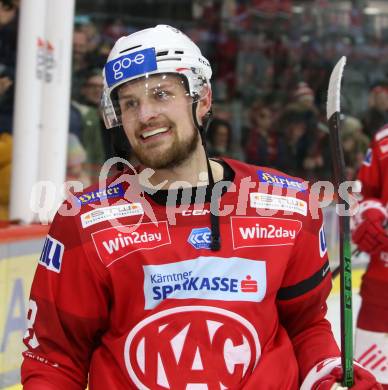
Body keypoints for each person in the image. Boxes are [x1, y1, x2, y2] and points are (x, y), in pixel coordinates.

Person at [21, 24, 381, 389]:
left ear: (203, 99)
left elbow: (306, 327)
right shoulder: (87, 222)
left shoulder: (287, 205)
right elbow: (54, 361)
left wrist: (327, 376)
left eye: (161, 94)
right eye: (129, 103)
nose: (145, 114)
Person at [352, 124, 388, 389]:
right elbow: (363, 194)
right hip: (382, 285)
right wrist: (367, 216)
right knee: (372, 381)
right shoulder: (383, 140)